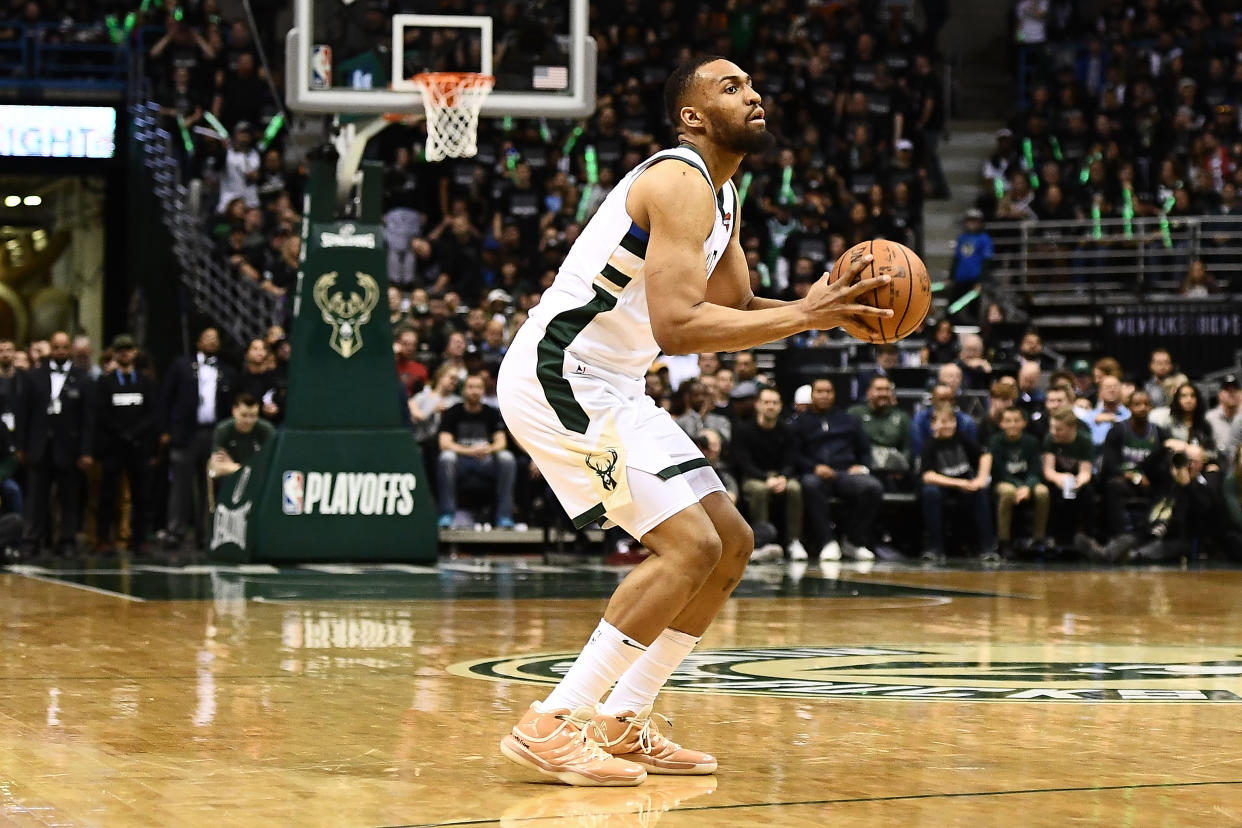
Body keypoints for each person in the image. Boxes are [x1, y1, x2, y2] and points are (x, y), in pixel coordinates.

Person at [494, 56, 892, 787]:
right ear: (692, 117)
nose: (755, 94)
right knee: (686, 546)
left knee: (731, 544)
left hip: (613, 383)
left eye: (753, 84)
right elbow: (678, 328)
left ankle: (622, 720)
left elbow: (733, 305)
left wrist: (816, 308)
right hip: (560, 374)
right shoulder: (677, 179)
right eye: (731, 87)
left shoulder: (722, 192)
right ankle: (551, 721)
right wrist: (807, 316)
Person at [16, 331, 95, 556]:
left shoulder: (83, 377)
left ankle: (67, 540)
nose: (60, 351)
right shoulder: (35, 376)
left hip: (69, 448)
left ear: (70, 350)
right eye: (56, 347)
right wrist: (22, 446)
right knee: (36, 496)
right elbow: (24, 414)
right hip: (40, 446)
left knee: (69, 496)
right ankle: (32, 539)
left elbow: (89, 419)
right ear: (51, 349)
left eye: (64, 347)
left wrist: (86, 451)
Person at [158, 327, 235, 549]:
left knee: (211, 486)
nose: (211, 342)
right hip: (185, 433)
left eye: (215, 339)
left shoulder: (226, 371)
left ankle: (208, 533)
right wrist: (165, 430)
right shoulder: (181, 365)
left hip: (214, 434)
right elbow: (166, 398)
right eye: (207, 338)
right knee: (181, 485)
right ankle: (175, 532)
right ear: (198, 342)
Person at [793, 378, 883, 562]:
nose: (824, 395)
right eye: (819, 391)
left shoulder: (848, 419)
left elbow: (864, 450)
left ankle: (854, 540)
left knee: (873, 487)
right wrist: (814, 467)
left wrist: (862, 467)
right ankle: (827, 541)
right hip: (815, 473)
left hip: (845, 473)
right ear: (812, 396)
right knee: (810, 485)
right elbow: (794, 454)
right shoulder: (799, 423)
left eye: (828, 391)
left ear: (834, 395)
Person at [95, 335, 159, 553]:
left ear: (134, 353)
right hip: (113, 447)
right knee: (107, 495)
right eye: (120, 350)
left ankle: (139, 539)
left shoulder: (145, 381)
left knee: (141, 495)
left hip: (138, 447)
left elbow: (151, 413)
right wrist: (121, 433)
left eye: (128, 349)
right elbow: (102, 414)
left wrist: (135, 434)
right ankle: (104, 539)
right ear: (114, 353)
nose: (124, 353)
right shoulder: (105, 382)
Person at [733, 386, 805, 562]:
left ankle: (793, 541)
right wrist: (767, 479)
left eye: (774, 403)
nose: (770, 407)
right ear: (757, 405)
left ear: (780, 406)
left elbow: (790, 460)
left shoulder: (786, 430)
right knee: (759, 490)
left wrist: (783, 477)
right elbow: (744, 462)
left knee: (795, 488)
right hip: (754, 477)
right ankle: (763, 542)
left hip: (780, 476)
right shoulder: (744, 429)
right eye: (766, 402)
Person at [437, 372, 517, 530]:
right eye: (470, 387)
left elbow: (501, 442)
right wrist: (470, 451)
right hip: (461, 461)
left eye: (478, 387)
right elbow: (444, 443)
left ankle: (504, 515)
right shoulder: (453, 412)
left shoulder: (491, 413)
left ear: (483, 390)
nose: (474, 391)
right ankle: (447, 513)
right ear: (463, 390)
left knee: (506, 458)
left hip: (485, 461)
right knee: (446, 457)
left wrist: (489, 448)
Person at [920, 404, 995, 561]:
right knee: (930, 492)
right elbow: (928, 476)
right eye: (943, 422)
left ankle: (987, 548)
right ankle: (936, 548)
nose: (948, 425)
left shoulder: (961, 438)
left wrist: (980, 479)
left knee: (980, 492)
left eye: (951, 421)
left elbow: (985, 456)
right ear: (933, 424)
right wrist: (960, 483)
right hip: (944, 488)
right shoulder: (929, 445)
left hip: (965, 487)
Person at [1100, 390, 1167, 539]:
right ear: (1129, 407)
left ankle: (1151, 531)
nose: (1142, 407)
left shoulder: (1159, 432)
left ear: (1151, 407)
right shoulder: (1118, 430)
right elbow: (1110, 464)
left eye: (1146, 404)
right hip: (1125, 481)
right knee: (1113, 485)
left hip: (1150, 482)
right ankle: (1118, 537)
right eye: (1137, 404)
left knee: (1167, 484)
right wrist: (1134, 476)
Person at [990, 406, 1049, 556]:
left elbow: (1035, 470)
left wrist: (1027, 487)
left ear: (1024, 423)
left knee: (1043, 492)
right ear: (1001, 424)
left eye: (1017, 420)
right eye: (1008, 421)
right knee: (1008, 492)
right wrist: (1018, 487)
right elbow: (999, 472)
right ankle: (1004, 541)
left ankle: (1039, 539)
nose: (1013, 424)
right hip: (1003, 482)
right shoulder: (996, 441)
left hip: (1027, 483)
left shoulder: (1031, 442)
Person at [1042, 406, 1096, 548]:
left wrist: (1078, 482)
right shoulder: (1050, 439)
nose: (1054, 432)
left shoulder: (1084, 440)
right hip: (1057, 479)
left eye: (1059, 429)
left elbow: (1086, 472)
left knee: (1088, 492)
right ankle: (1052, 538)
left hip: (1078, 479)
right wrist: (1059, 478)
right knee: (1052, 494)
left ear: (1072, 428)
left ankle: (1087, 537)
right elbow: (1048, 470)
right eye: (1052, 428)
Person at [848, 375, 913, 491]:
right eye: (879, 389)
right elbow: (847, 445)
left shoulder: (902, 417)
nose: (883, 393)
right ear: (868, 393)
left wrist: (900, 468)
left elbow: (907, 448)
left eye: (887, 389)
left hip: (893, 471)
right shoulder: (855, 413)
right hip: (863, 470)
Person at [207, 393, 276, 478]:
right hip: (230, 482)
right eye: (244, 415)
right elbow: (215, 469)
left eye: (253, 416)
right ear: (234, 411)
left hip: (258, 482)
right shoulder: (223, 430)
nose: (248, 421)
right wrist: (251, 469)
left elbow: (273, 466)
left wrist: (232, 466)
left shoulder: (266, 430)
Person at [947, 208, 993, 314]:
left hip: (974, 278)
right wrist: (951, 277)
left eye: (975, 220)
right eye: (969, 220)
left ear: (980, 222)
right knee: (953, 307)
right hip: (960, 277)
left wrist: (981, 281)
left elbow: (986, 260)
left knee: (973, 309)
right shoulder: (962, 238)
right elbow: (957, 258)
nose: (972, 223)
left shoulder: (984, 239)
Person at [1077, 375, 1130, 447]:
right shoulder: (1089, 417)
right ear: (1100, 392)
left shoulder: (1129, 415)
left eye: (1115, 386)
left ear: (1121, 391)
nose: (1112, 390)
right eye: (1107, 387)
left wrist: (1115, 420)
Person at [1206, 374, 1242, 461]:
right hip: (1218, 464)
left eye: (1235, 390)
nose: (1231, 393)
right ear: (1219, 395)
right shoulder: (1209, 418)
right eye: (1227, 390)